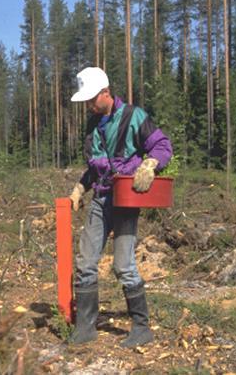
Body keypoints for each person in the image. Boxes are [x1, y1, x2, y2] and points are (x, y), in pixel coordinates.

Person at [68, 67, 172, 348]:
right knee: (85, 263)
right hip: (101, 198)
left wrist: (150, 164)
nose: (89, 105)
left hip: (126, 199)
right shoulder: (92, 124)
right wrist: (80, 187)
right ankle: (85, 328)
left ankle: (142, 327)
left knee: (123, 265)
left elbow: (162, 146)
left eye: (92, 99)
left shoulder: (133, 116)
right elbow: (96, 166)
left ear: (106, 92)